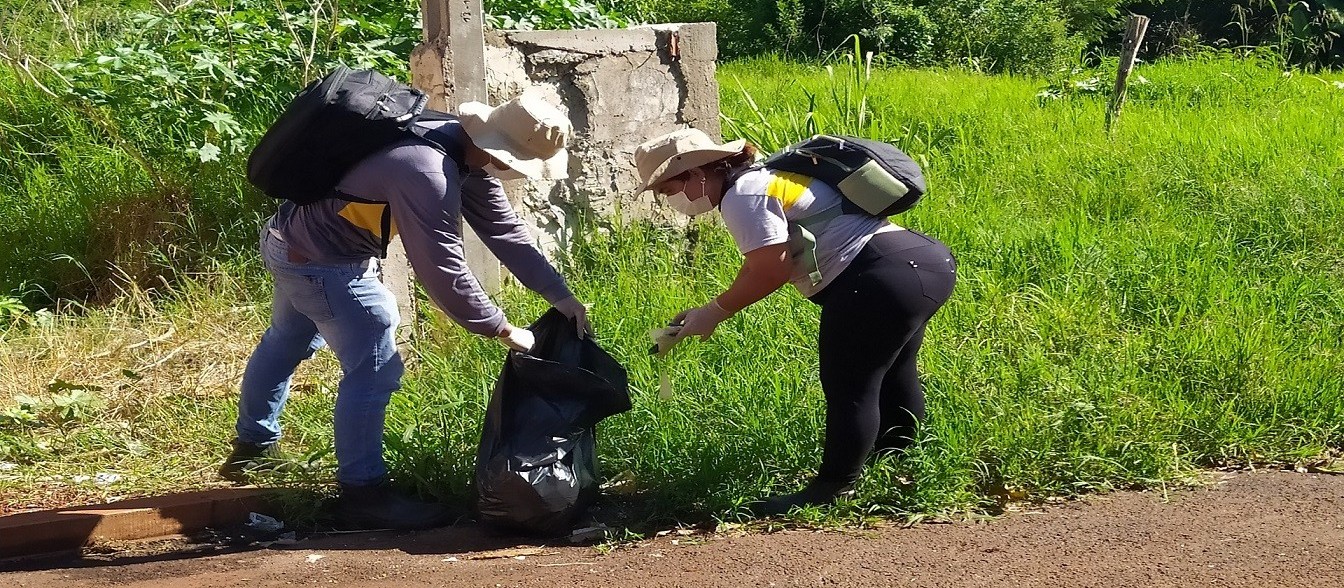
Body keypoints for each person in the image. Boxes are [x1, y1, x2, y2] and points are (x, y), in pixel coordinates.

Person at [220, 89, 592, 530]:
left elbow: (503, 231)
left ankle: (251, 450)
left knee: (286, 340)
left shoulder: (454, 144)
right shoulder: (427, 170)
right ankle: (363, 493)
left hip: (290, 240)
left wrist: (560, 295)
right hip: (322, 263)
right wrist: (500, 328)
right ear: (500, 150)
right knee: (375, 363)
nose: (514, 171)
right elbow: (441, 266)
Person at [632, 128, 956, 515]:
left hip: (879, 276)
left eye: (670, 191)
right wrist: (708, 312)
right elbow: (764, 264)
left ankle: (834, 488)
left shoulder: (744, 195)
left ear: (696, 174)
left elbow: (770, 271)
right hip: (919, 263)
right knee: (893, 372)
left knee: (850, 385)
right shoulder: (764, 180)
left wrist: (714, 312)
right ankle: (901, 465)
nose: (674, 202)